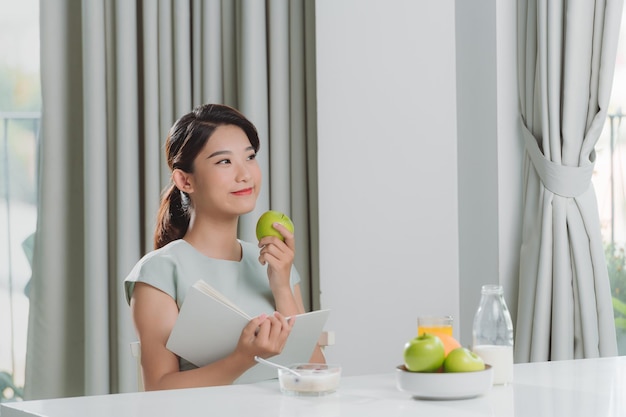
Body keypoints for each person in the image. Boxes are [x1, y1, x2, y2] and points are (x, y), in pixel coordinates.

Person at [124, 103, 324, 391]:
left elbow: (317, 373)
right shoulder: (159, 272)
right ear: (185, 180)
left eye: (250, 157)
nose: (245, 174)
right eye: (224, 162)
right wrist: (243, 357)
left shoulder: (274, 262)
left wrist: (282, 286)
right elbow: (159, 388)